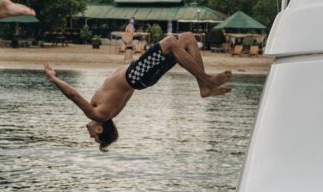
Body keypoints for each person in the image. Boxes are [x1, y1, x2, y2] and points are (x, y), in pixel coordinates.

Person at [44, 23, 232, 151]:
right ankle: (206, 81)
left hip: (138, 77)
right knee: (171, 43)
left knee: (188, 39)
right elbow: (72, 94)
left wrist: (128, 44)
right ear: (100, 129)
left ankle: (204, 87)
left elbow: (126, 65)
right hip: (137, 77)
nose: (90, 135)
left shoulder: (107, 110)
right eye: (94, 137)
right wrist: (54, 79)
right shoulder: (97, 115)